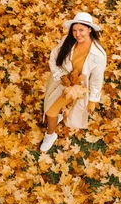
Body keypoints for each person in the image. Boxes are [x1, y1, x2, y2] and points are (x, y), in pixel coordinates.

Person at [40, 12, 107, 152]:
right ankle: (56, 116)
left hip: (78, 87)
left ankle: (50, 135)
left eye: (81, 30)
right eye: (74, 30)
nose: (77, 34)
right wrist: (60, 75)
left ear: (90, 30)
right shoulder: (67, 40)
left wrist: (93, 100)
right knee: (49, 107)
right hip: (61, 79)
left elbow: (96, 79)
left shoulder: (98, 55)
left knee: (50, 112)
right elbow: (54, 57)